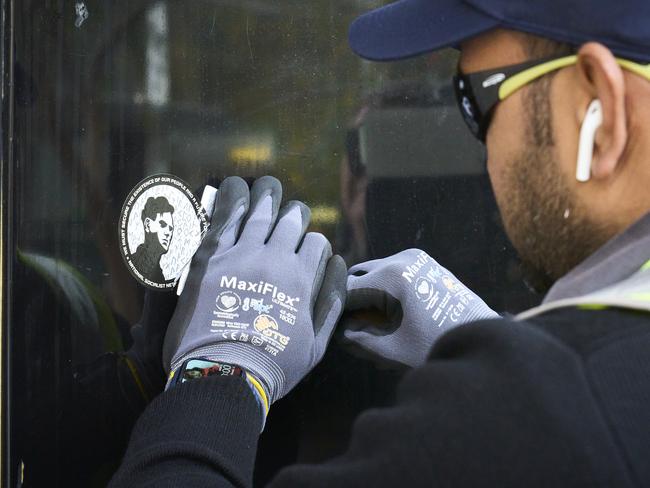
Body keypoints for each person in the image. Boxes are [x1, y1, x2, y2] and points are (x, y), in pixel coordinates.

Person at [110, 0, 650, 486]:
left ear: (601, 115)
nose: (483, 154)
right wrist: (499, 338)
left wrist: (220, 376)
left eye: (474, 101)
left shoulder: (529, 412)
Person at [130, 196, 175, 284]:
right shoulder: (133, 263)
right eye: (163, 225)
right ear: (147, 225)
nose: (168, 233)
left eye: (170, 229)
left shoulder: (160, 277)